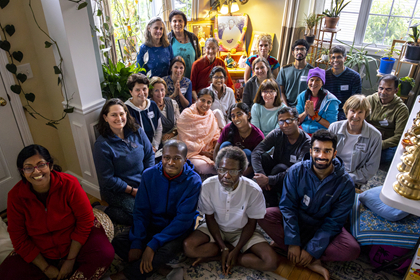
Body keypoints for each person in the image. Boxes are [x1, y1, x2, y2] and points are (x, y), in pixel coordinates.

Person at [0, 145, 114, 280]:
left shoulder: (69, 184)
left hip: (74, 241)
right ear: (22, 172)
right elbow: (18, 237)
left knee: (104, 253)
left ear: (50, 166)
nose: (36, 172)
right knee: (7, 273)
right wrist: (46, 268)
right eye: (28, 167)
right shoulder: (15, 196)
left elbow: (85, 220)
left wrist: (70, 260)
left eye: (41, 165)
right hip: (41, 251)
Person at [258, 130, 360, 280]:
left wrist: (312, 251)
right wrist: (293, 242)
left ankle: (308, 257)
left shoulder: (346, 184)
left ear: (334, 153)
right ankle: (296, 250)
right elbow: (288, 206)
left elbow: (334, 222)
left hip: (323, 226)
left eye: (327, 151)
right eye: (317, 150)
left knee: (351, 250)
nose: (321, 156)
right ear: (311, 151)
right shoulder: (296, 171)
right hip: (298, 220)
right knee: (264, 215)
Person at [111, 140, 202, 280]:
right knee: (119, 241)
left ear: (185, 160)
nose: (170, 162)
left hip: (175, 230)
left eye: (177, 158)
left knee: (167, 250)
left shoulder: (194, 181)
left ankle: (125, 275)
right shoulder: (149, 175)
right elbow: (141, 210)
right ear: (162, 157)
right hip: (152, 225)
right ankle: (159, 267)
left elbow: (182, 221)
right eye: (167, 157)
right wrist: (137, 242)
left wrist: (152, 245)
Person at [183, 146, 279, 275]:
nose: (226, 176)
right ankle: (226, 251)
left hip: (242, 230)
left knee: (271, 262)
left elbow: (251, 223)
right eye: (222, 170)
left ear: (242, 171)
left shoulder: (253, 190)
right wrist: (223, 247)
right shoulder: (208, 186)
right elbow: (210, 218)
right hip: (215, 227)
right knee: (189, 247)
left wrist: (237, 249)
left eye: (233, 171)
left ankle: (222, 256)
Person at [93, 98, 155, 225]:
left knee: (160, 204)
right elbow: (107, 179)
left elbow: (149, 155)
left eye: (121, 114)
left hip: (142, 181)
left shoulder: (137, 131)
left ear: (126, 114)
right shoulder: (102, 145)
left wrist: (146, 179)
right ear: (105, 117)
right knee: (138, 217)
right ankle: (103, 210)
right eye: (113, 115)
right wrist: (132, 191)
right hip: (118, 190)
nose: (119, 118)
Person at [251, 107, 311, 207]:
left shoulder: (306, 142)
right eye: (281, 121)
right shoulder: (277, 133)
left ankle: (272, 201)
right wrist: (261, 176)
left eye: (289, 120)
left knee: (281, 168)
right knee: (264, 157)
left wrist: (269, 179)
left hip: (293, 178)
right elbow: (256, 152)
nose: (285, 125)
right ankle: (265, 195)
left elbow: (298, 170)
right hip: (274, 172)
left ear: (297, 121)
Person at [329, 95, 382, 186]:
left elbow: (371, 167)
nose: (355, 116)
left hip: (353, 179)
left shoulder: (375, 136)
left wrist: (346, 178)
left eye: (360, 112)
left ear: (365, 114)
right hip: (330, 174)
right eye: (352, 111)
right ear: (346, 112)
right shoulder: (334, 128)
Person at [365, 75, 409, 165]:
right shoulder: (369, 99)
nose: (383, 92)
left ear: (396, 91)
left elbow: (399, 136)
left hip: (385, 143)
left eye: (388, 89)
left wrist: (378, 145)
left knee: (394, 154)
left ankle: (367, 156)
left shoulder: (401, 109)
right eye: (381, 88)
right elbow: (358, 120)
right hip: (367, 137)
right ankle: (368, 156)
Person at [214, 103, 265, 176]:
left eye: (239, 114)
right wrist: (219, 169)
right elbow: (216, 150)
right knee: (225, 145)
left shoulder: (258, 135)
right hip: (227, 164)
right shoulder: (228, 129)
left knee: (247, 152)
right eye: (233, 116)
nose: (236, 118)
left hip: (245, 169)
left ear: (248, 115)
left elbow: (259, 161)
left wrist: (239, 175)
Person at [177, 88, 220, 175]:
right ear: (197, 99)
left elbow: (216, 134)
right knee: (205, 167)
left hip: (210, 150)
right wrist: (203, 152)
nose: (205, 104)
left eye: (209, 102)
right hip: (192, 153)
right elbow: (186, 141)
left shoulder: (210, 114)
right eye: (202, 100)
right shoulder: (187, 114)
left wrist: (215, 150)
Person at [297, 67, 340, 134]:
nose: (314, 83)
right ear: (308, 81)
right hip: (302, 132)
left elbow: (331, 125)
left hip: (321, 134)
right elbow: (296, 120)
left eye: (317, 80)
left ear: (322, 83)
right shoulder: (302, 96)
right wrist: (305, 113)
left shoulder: (331, 100)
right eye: (311, 80)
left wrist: (314, 115)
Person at [125, 73, 162, 152]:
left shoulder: (152, 105)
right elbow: (127, 136)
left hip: (155, 147)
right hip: (137, 150)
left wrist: (155, 146)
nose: (142, 93)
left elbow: (159, 128)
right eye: (137, 90)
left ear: (148, 89)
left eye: (144, 89)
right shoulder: (126, 110)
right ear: (131, 92)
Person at [323, 45, 362, 120]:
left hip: (346, 113)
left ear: (345, 59)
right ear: (330, 59)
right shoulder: (324, 75)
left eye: (339, 57)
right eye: (333, 57)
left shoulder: (354, 77)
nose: (336, 60)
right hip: (327, 111)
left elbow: (356, 100)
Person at [277, 39, 314, 107]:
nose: (299, 52)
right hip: (286, 106)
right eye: (297, 49)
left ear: (307, 52)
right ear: (292, 52)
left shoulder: (313, 71)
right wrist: (286, 107)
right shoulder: (284, 70)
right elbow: (280, 92)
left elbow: (314, 93)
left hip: (304, 108)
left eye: (302, 49)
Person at [167, 10, 201, 79]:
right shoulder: (167, 39)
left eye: (180, 21)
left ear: (184, 23)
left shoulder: (193, 37)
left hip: (192, 79)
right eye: (174, 21)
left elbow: (198, 57)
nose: (177, 23)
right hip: (174, 80)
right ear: (170, 23)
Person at [149, 77, 180, 144]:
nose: (160, 93)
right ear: (151, 92)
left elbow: (179, 123)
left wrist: (172, 133)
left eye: (162, 90)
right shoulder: (149, 107)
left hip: (175, 133)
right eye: (156, 90)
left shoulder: (172, 103)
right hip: (158, 139)